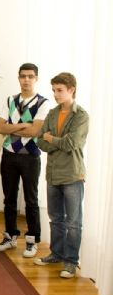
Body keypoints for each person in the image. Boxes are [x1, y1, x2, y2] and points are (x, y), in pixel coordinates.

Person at [34, 72, 89, 279]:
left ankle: (71, 262)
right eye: (54, 90)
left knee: (73, 222)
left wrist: (52, 139)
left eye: (60, 90)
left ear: (71, 90)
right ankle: (56, 254)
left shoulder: (81, 115)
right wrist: (55, 139)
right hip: (53, 174)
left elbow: (72, 143)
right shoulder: (52, 113)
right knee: (55, 218)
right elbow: (40, 141)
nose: (56, 95)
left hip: (73, 175)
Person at [0, 63, 50, 257]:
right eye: (23, 76)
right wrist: (24, 124)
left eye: (30, 76)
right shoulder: (10, 100)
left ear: (36, 79)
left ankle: (32, 240)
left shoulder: (42, 102)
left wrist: (13, 126)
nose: (26, 80)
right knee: (9, 198)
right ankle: (10, 236)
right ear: (18, 77)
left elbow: (35, 131)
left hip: (30, 157)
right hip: (9, 155)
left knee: (31, 200)